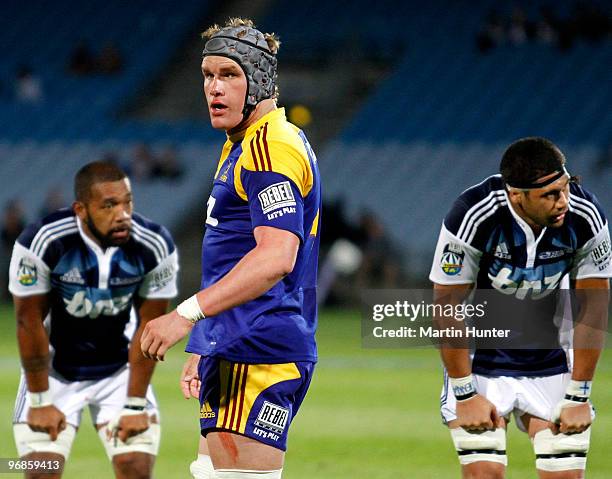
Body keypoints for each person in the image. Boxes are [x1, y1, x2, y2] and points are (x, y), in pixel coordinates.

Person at [140, 17, 321, 479]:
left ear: (259, 80)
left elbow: (275, 256)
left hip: (257, 344)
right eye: (207, 76)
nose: (214, 88)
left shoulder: (268, 148)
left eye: (229, 75)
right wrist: (206, 342)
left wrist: (186, 316)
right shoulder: (245, 143)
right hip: (237, 340)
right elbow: (233, 254)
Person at [430, 137, 611, 478]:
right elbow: (447, 303)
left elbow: (595, 307)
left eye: (566, 188)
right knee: (485, 473)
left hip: (552, 359)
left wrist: (579, 394)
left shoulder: (585, 216)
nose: (563, 202)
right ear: (517, 195)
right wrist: (465, 393)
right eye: (550, 195)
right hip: (482, 361)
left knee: (564, 475)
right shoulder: (474, 213)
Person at [9, 161, 178, 478]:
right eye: (109, 205)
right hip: (55, 372)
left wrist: (135, 405)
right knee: (38, 470)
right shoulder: (43, 241)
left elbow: (149, 326)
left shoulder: (152, 244)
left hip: (119, 371)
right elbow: (28, 321)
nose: (122, 213)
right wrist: (41, 400)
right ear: (81, 210)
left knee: (136, 468)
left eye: (128, 202)